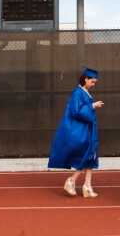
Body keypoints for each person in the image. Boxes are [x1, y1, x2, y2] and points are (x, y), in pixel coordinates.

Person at [48, 66, 104, 198]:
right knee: (87, 155)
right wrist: (92, 105)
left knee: (91, 157)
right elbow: (76, 111)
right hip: (80, 131)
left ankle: (87, 186)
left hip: (87, 130)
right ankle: (71, 180)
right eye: (92, 81)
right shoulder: (78, 93)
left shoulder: (84, 92)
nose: (93, 84)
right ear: (86, 78)